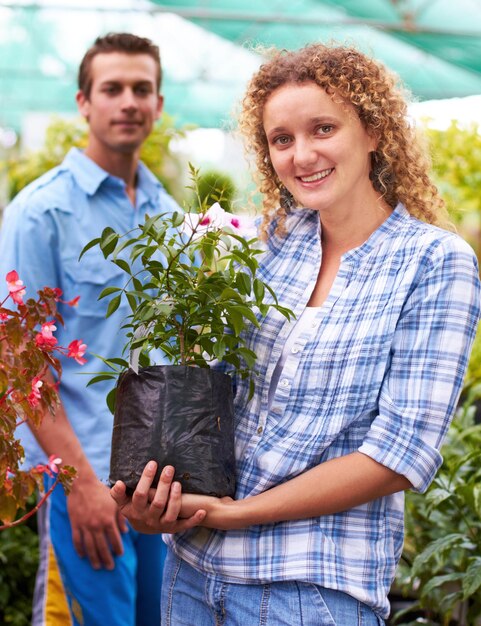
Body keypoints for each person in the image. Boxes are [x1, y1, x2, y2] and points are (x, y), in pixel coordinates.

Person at [111, 44, 481, 625]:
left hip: (308, 590)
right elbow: (215, 397)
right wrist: (159, 496)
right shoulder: (267, 244)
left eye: (323, 129)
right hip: (192, 572)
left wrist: (238, 514)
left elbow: (399, 454)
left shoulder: (434, 263)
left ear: (375, 130)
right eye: (281, 139)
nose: (301, 155)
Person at [0, 33, 180, 626]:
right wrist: (78, 485)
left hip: (158, 487)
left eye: (141, 89)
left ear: (157, 105)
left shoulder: (167, 216)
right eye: (113, 89)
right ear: (84, 102)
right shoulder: (40, 213)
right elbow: (24, 365)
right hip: (85, 483)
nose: (128, 101)